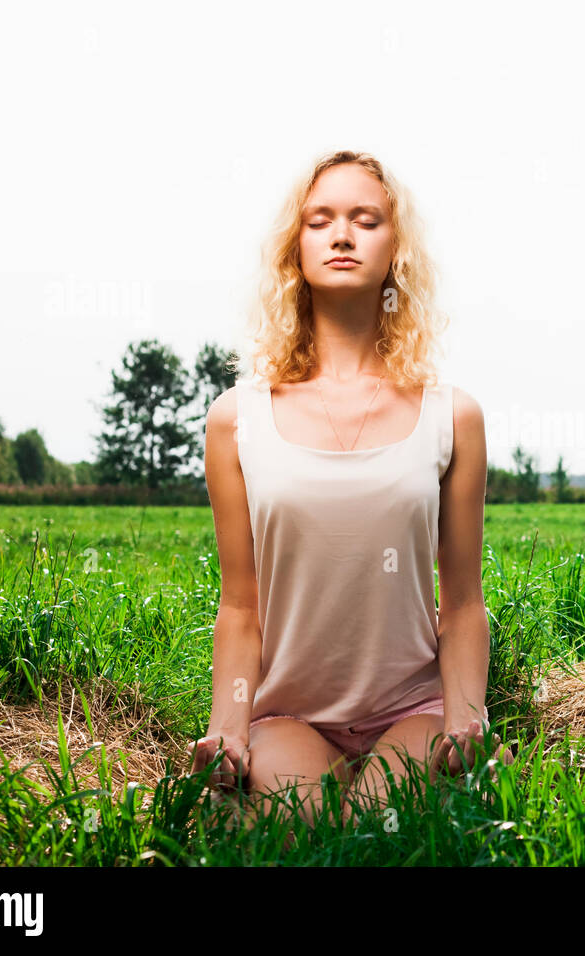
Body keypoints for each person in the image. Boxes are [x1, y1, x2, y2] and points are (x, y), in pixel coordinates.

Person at [188, 149, 511, 830]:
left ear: (395, 248)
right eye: (320, 220)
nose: (342, 235)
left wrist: (466, 720)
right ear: (294, 248)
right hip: (291, 713)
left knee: (378, 828)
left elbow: (463, 603)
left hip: (411, 712)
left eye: (366, 220)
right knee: (302, 830)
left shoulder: (452, 416)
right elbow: (240, 608)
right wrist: (230, 729)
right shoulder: (235, 420)